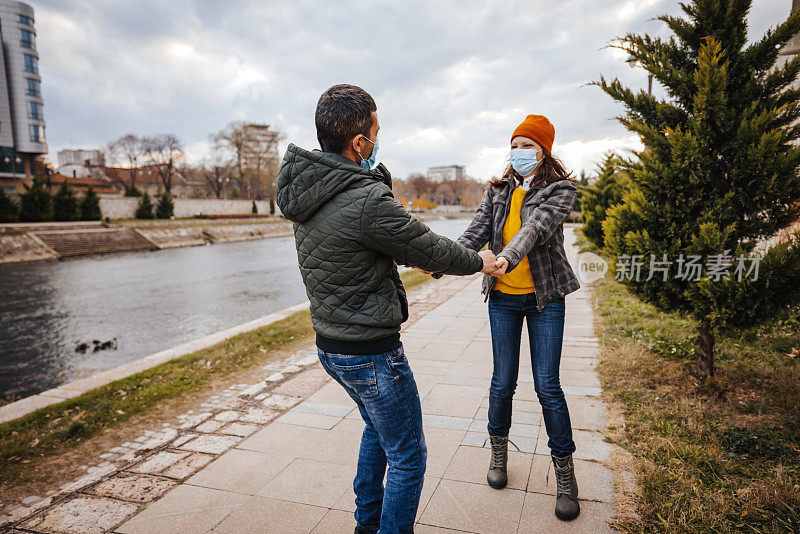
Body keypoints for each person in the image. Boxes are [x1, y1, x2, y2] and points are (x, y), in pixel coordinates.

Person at [276, 84, 499, 534]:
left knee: (379, 433)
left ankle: (366, 525)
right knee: (408, 456)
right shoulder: (364, 199)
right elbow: (425, 244)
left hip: (332, 346)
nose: (380, 138)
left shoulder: (312, 189)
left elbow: (368, 246)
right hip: (371, 353)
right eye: (376, 130)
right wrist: (480, 261)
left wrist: (414, 253)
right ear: (359, 143)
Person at [456, 114, 582, 521]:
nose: (520, 152)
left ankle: (565, 474)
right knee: (502, 381)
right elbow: (474, 234)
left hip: (545, 300)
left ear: (544, 150)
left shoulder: (560, 190)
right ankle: (498, 455)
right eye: (515, 144)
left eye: (528, 145)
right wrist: (437, 261)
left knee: (548, 385)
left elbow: (535, 229)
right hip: (503, 301)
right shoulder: (497, 190)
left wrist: (506, 257)